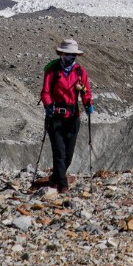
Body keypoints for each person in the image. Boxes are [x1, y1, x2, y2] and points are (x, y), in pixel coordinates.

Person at [39, 38, 93, 191]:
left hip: (73, 117)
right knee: (60, 152)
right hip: (55, 116)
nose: (72, 57)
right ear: (61, 54)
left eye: (74, 55)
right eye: (69, 55)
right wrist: (48, 105)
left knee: (68, 154)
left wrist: (88, 103)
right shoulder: (52, 70)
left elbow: (85, 91)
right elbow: (46, 92)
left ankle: (55, 178)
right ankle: (62, 185)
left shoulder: (80, 72)